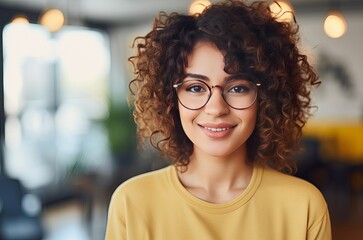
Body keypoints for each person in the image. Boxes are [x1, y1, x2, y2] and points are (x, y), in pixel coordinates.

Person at [105, 0, 332, 239]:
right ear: (170, 99)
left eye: (237, 88)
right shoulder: (132, 202)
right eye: (195, 88)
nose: (216, 108)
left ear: (265, 99)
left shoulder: (304, 206)